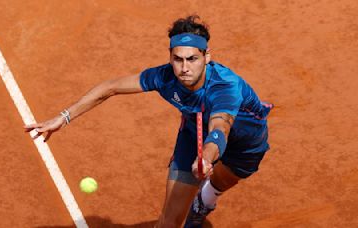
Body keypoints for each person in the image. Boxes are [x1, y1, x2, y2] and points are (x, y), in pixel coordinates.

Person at [24, 15, 273, 228]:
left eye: (192, 59)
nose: (184, 68)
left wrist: (207, 157)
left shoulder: (225, 87)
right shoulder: (164, 77)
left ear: (207, 56)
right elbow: (111, 87)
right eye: (178, 59)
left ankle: (206, 198)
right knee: (168, 222)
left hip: (246, 141)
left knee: (224, 180)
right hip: (192, 133)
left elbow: (220, 127)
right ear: (170, 57)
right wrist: (63, 117)